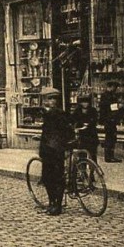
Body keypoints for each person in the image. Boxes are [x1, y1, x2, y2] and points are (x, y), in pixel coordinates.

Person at [39, 87, 74, 216]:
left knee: (53, 178)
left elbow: (63, 130)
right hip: (51, 149)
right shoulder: (51, 112)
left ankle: (56, 205)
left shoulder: (54, 113)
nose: (51, 101)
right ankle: (53, 203)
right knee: (50, 177)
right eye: (49, 99)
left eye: (53, 99)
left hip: (53, 149)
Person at [71, 94, 99, 164]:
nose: (85, 104)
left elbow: (95, 120)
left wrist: (89, 124)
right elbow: (73, 120)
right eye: (83, 102)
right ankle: (82, 171)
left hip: (91, 135)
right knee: (82, 154)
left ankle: (92, 170)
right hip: (82, 136)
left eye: (86, 102)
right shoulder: (77, 111)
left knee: (93, 154)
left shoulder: (93, 110)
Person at [99, 80, 122, 163]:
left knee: (111, 138)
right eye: (114, 87)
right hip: (109, 121)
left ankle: (110, 156)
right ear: (111, 87)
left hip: (109, 120)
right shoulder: (109, 96)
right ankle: (109, 157)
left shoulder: (106, 96)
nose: (115, 89)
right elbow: (112, 109)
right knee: (110, 138)